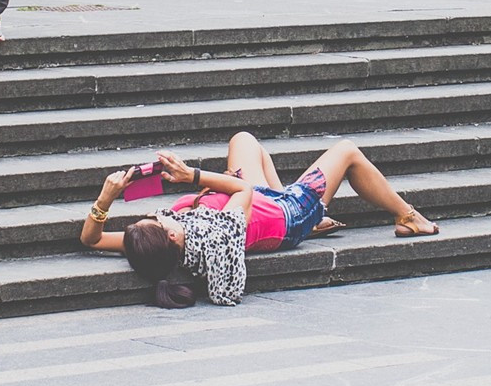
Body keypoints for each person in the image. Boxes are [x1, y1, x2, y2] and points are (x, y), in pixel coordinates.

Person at [79, 131, 439, 307]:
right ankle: (408, 216)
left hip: (265, 204)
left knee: (244, 140)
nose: (158, 215)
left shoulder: (150, 245)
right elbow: (242, 191)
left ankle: (316, 214)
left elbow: (91, 240)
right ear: (171, 238)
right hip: (287, 215)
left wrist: (105, 199)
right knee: (346, 151)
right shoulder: (215, 234)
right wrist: (191, 176)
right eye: (160, 220)